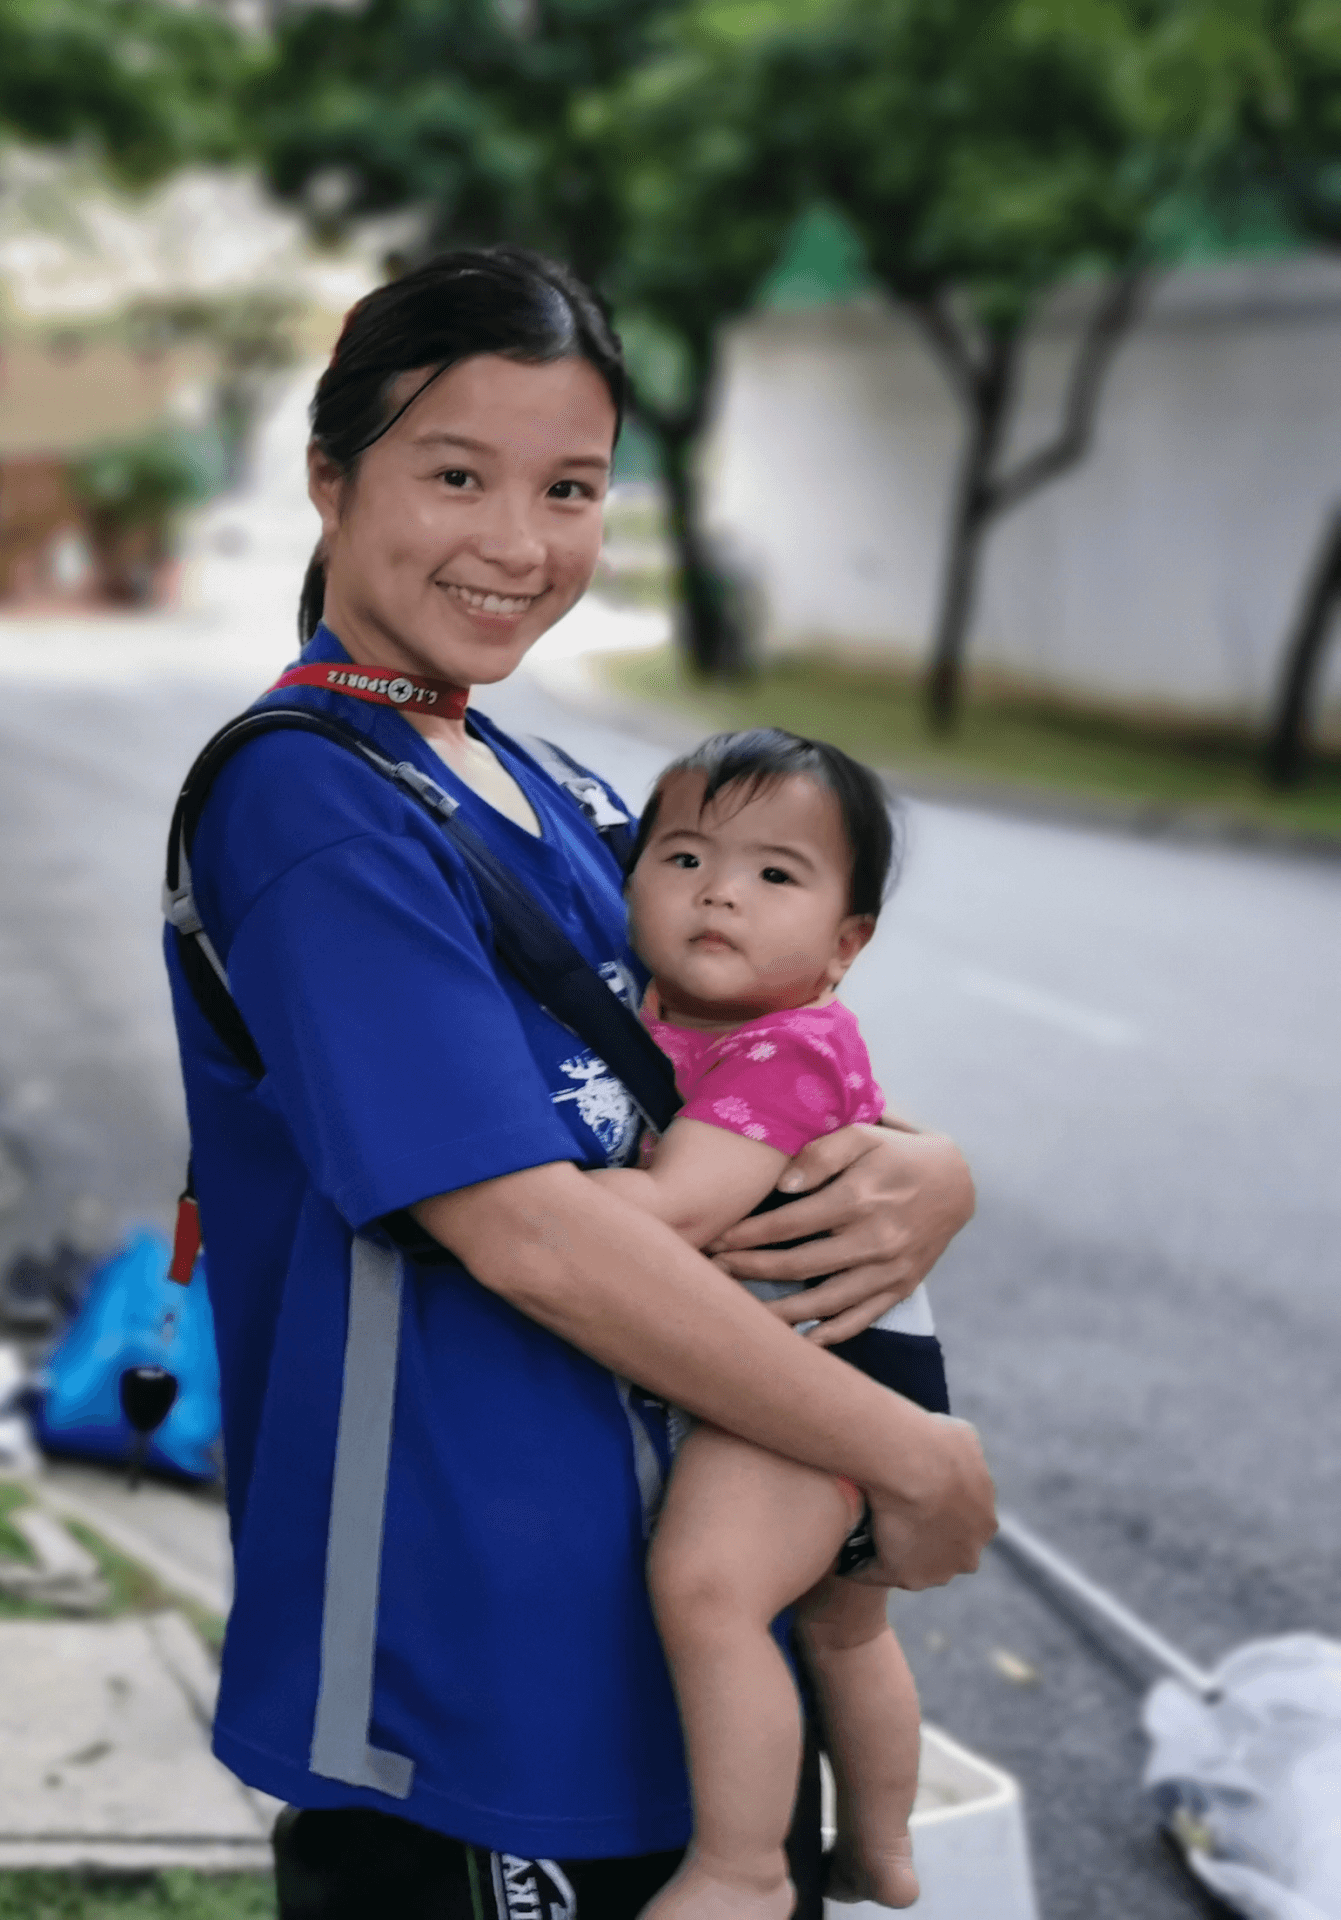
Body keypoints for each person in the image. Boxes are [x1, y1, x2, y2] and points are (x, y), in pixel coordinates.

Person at [164, 245, 996, 1920]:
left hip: (666, 1614)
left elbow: (730, 1050)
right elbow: (529, 1231)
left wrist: (925, 1167)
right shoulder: (312, 807)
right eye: (453, 473)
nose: (518, 545)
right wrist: (903, 1455)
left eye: (572, 488)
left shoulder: (539, 780)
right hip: (470, 1660)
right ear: (329, 477)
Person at [591, 728, 941, 1919]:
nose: (721, 891)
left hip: (819, 1387)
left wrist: (515, 1196)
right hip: (831, 1359)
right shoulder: (661, 1010)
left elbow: (676, 1209)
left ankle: (743, 1871)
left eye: (775, 875)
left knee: (711, 1588)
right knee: (843, 1628)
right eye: (684, 858)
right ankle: (885, 1845)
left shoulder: (786, 1048)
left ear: (847, 947)